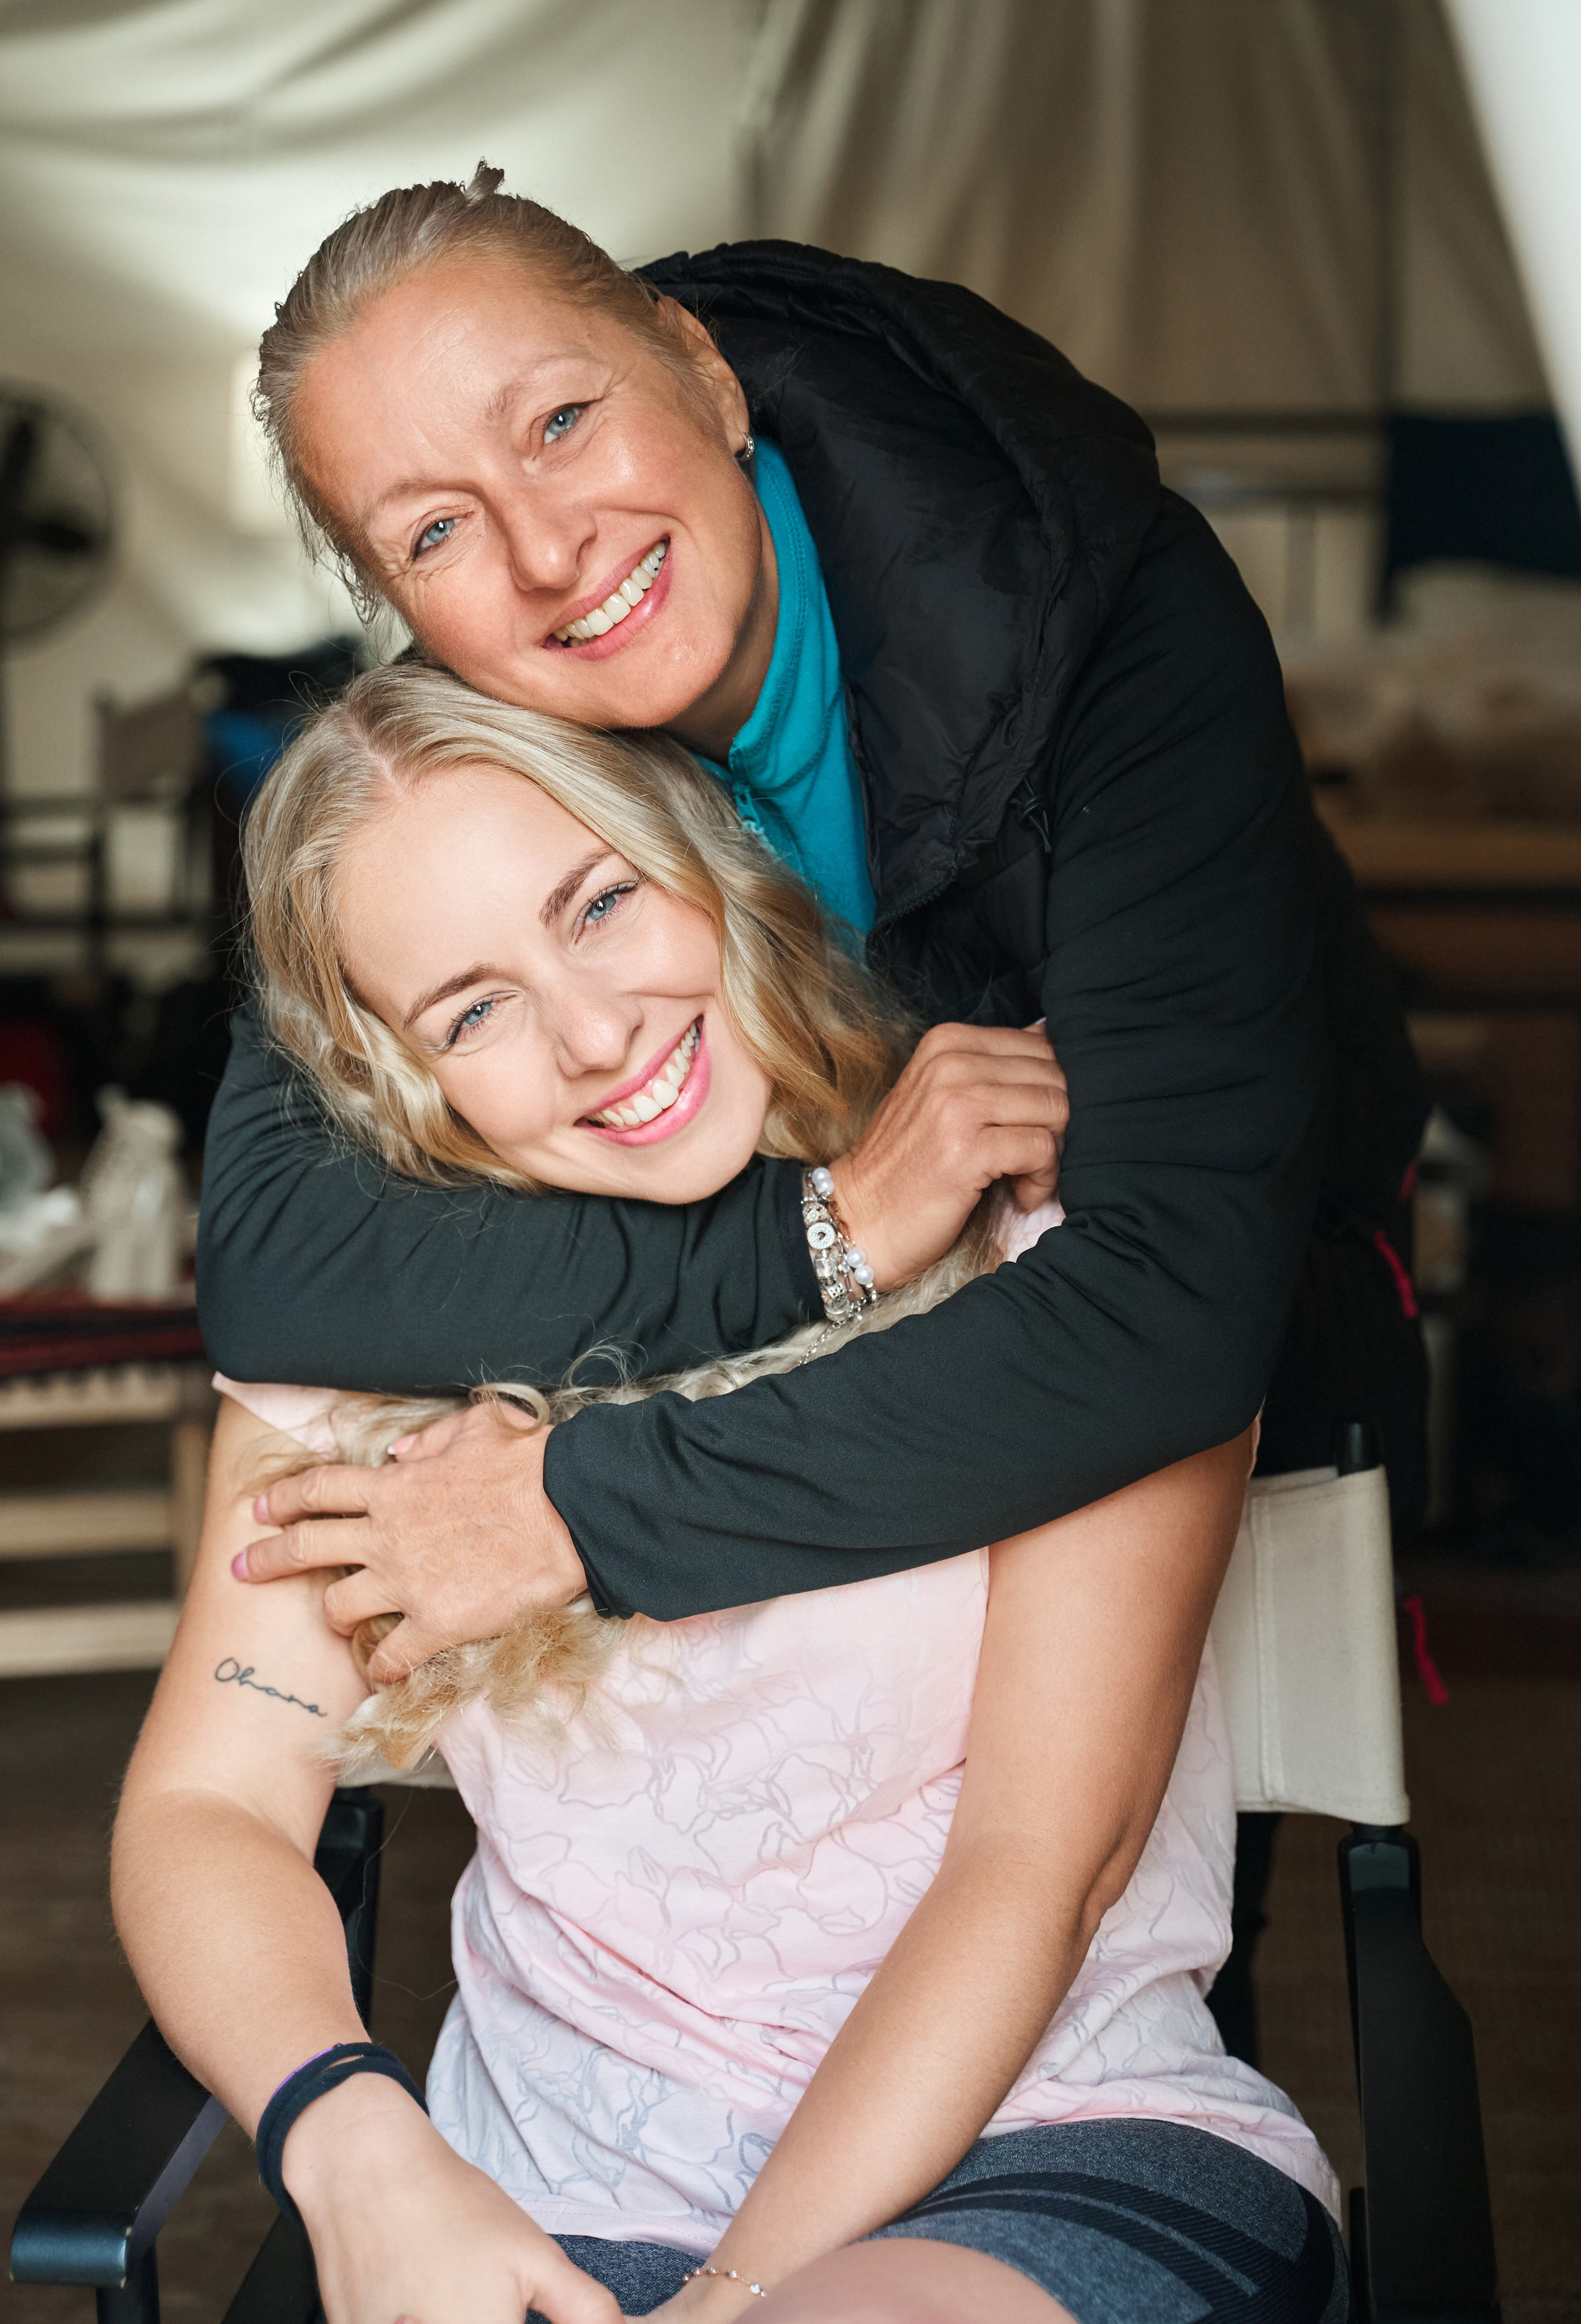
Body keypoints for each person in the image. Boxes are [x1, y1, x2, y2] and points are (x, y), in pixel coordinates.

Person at [205, 169, 1427, 2044]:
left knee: (1093, 1953)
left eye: (564, 419)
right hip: (770, 1529)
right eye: (437, 530)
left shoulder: (1107, 618)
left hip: (1187, 1365)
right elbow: (283, 1252)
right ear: (397, 608)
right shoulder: (484, 721)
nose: (543, 555)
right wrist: (816, 1237)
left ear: (697, 365)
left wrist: (580, 1511)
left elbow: (1167, 1310)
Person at [118, 669, 1346, 2323]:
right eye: (472, 1010)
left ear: (714, 847)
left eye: (601, 903)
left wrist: (733, 2296)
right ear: (403, 1076)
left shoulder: (1069, 1241)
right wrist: (356, 2140)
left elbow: (1040, 1860)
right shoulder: (367, 1352)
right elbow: (213, 1805)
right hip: (540, 2192)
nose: (594, 1032)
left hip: (1040, 2141)